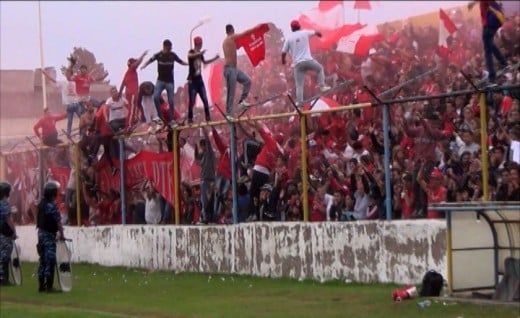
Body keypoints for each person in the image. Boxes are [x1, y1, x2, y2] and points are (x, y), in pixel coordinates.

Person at [281, 20, 330, 107]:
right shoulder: (304, 32)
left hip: (298, 65)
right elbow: (316, 32)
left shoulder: (289, 38)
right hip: (308, 60)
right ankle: (322, 86)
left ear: (291, 28)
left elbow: (283, 52)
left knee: (299, 85)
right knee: (319, 69)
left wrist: (283, 61)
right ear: (299, 26)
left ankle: (299, 104)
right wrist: (320, 35)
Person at [141, 39, 188, 128]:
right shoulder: (159, 55)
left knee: (170, 100)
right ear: (164, 47)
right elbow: (150, 60)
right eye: (168, 49)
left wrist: (188, 64)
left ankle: (172, 120)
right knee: (155, 97)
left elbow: (180, 61)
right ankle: (161, 118)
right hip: (160, 81)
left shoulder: (172, 55)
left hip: (170, 82)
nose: (169, 51)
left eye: (170, 49)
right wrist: (144, 65)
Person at [468, 0, 509, 86]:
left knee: (487, 53)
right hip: (492, 25)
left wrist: (472, 3)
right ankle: (504, 63)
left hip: (488, 25)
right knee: (491, 45)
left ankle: (492, 79)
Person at [222, 24, 260, 116]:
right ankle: (228, 113)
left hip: (234, 69)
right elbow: (245, 33)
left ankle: (241, 101)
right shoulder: (230, 38)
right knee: (231, 92)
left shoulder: (229, 41)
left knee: (247, 81)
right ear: (232, 30)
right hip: (229, 69)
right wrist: (256, 28)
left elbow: (238, 46)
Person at [36, 181, 65, 292]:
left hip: (41, 234)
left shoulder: (41, 204)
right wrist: (62, 235)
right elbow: (58, 222)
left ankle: (41, 285)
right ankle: (49, 286)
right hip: (48, 235)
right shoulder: (51, 205)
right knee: (50, 260)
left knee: (42, 259)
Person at [187, 36, 219, 124]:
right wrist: (199, 54)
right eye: (200, 44)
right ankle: (190, 118)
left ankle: (208, 117)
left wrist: (214, 58)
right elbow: (190, 56)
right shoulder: (192, 52)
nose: (201, 45)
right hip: (192, 81)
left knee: (205, 99)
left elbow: (204, 62)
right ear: (198, 44)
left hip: (199, 80)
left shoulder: (200, 54)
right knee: (192, 100)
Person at [119, 50, 148, 127]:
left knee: (135, 108)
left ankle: (135, 121)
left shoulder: (128, 73)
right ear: (131, 64)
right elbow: (137, 63)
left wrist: (119, 95)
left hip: (131, 93)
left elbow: (122, 85)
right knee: (132, 110)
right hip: (132, 93)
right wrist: (143, 55)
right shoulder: (132, 69)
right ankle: (128, 126)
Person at [194, 128, 216, 224]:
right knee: (204, 200)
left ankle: (209, 217)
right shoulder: (202, 156)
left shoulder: (209, 153)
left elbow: (209, 144)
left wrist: (205, 133)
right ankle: (205, 217)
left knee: (210, 199)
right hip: (204, 180)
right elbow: (196, 157)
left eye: (202, 146)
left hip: (210, 180)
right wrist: (195, 147)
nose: (202, 149)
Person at [0, 181, 16, 285]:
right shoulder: (4, 204)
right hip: (5, 234)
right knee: (5, 256)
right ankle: (3, 279)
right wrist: (14, 230)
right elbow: (8, 219)